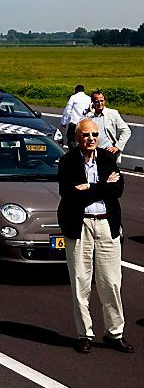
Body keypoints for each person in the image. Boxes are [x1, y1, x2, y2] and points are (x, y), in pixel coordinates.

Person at [57, 118, 131, 355]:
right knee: (81, 282)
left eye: (94, 135)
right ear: (78, 138)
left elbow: (117, 189)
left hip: (107, 226)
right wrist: (100, 186)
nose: (91, 139)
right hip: (80, 227)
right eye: (86, 135)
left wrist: (88, 187)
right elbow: (69, 194)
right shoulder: (67, 162)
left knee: (111, 282)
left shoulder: (108, 158)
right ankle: (84, 334)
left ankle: (114, 333)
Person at [84, 90, 132, 163]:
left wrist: (117, 147)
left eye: (102, 101)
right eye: (97, 101)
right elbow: (80, 129)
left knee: (110, 174)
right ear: (92, 103)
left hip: (107, 152)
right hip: (92, 152)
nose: (100, 103)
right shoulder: (89, 115)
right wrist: (89, 113)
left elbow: (126, 131)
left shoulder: (112, 114)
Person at [61, 85, 90, 149]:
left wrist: (64, 123)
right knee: (84, 140)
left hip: (74, 123)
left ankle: (74, 154)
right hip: (85, 124)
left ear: (76, 90)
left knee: (71, 139)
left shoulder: (73, 97)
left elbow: (67, 111)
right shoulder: (89, 98)